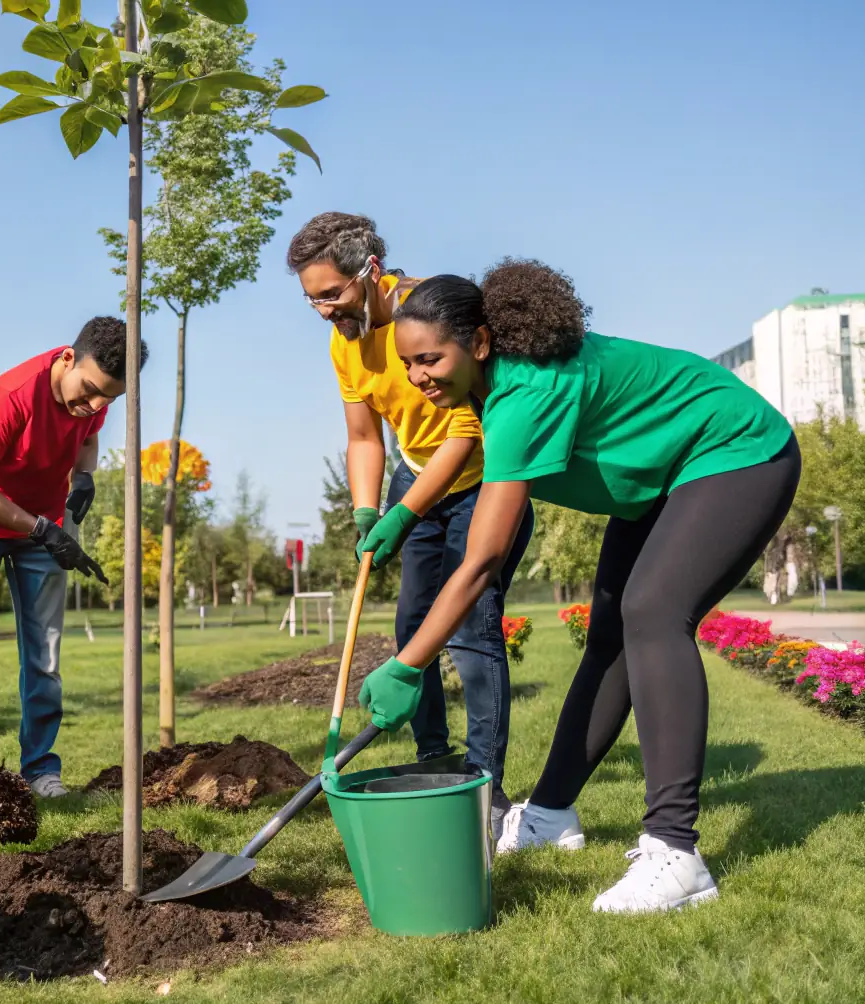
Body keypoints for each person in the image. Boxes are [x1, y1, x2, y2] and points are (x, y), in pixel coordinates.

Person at [362, 258, 798, 913]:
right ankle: (548, 814)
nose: (418, 378)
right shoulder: (482, 388)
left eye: (430, 360)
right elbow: (459, 445)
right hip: (660, 479)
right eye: (408, 366)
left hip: (735, 449)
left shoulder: (526, 391)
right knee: (609, 638)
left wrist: (406, 663)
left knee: (652, 613)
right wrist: (402, 512)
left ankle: (675, 853)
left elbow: (480, 562)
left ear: (478, 343)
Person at [286, 213, 533, 834]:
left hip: (480, 478)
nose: (323, 311)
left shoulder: (432, 315)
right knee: (410, 625)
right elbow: (364, 435)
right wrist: (368, 508)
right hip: (411, 472)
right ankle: (435, 758)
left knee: (472, 633)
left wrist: (405, 512)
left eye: (332, 294)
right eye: (311, 298)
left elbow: (465, 428)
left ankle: (487, 788)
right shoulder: (345, 340)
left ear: (370, 272)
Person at [0, 316, 145, 797]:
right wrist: (40, 528)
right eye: (90, 390)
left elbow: (88, 439)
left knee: (45, 656)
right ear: (68, 358)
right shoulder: (9, 397)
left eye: (108, 399)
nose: (93, 406)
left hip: (44, 527)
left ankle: (39, 771)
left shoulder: (94, 400)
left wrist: (83, 478)